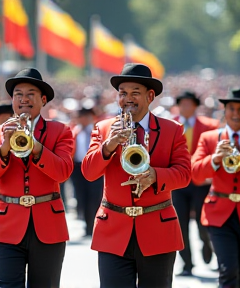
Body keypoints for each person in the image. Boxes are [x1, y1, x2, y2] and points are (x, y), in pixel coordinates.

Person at [81, 63, 191, 288]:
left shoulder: (172, 129)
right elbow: (89, 172)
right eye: (122, 93)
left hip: (158, 230)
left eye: (134, 93)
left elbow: (184, 174)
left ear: (150, 96)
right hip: (113, 231)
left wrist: (155, 175)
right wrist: (109, 144)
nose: (127, 99)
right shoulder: (103, 129)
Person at [0, 68, 74, 288]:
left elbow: (63, 172)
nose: (24, 99)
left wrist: (35, 146)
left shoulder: (60, 131)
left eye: (31, 94)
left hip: (48, 225)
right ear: (12, 100)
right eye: (18, 94)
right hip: (7, 226)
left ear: (42, 100)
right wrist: (4, 146)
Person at [191, 87, 240, 288]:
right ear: (225, 111)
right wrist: (215, 158)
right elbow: (195, 174)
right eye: (231, 108)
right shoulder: (210, 138)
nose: (236, 114)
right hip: (219, 214)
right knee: (228, 270)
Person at [172, 91, 219, 276]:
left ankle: (207, 247)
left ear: (195, 106)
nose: (185, 107)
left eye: (189, 104)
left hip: (202, 182)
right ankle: (187, 264)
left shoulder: (210, 125)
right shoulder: (169, 125)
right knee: (180, 225)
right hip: (178, 183)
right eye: (182, 104)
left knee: (203, 223)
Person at [71, 106, 103, 236]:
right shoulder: (75, 132)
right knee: (81, 196)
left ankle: (95, 224)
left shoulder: (97, 132)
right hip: (77, 168)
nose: (83, 120)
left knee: (94, 196)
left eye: (86, 117)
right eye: (81, 117)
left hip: (93, 166)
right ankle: (87, 225)